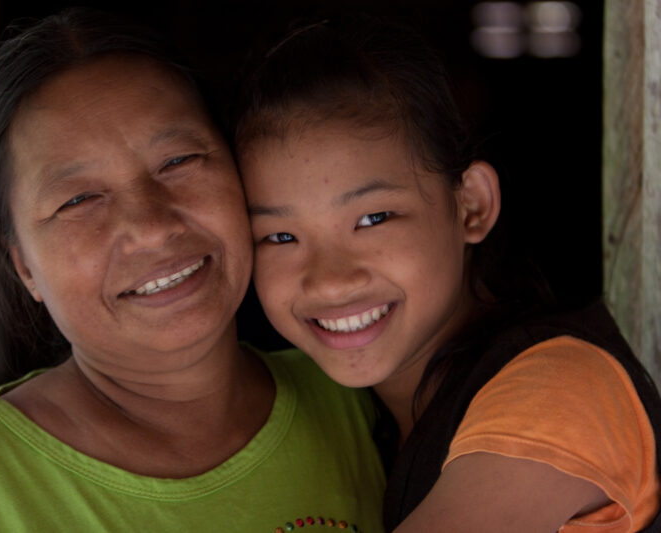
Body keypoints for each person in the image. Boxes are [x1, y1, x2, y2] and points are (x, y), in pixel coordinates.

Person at [0, 9, 386, 532]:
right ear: (23, 265)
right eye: (79, 199)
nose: (151, 227)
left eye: (178, 161)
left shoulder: (350, 398)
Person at [231, 16, 661, 532]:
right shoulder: (354, 422)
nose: (329, 280)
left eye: (373, 219)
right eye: (280, 237)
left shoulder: (559, 391)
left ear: (472, 206)